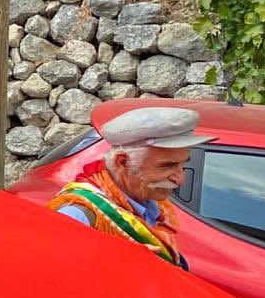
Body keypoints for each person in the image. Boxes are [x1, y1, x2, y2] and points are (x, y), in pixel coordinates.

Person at [47, 105, 214, 269]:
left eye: (182, 165)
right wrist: (117, 266)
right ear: (123, 162)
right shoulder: (77, 215)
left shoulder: (150, 201)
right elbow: (50, 281)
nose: (180, 179)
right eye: (166, 166)